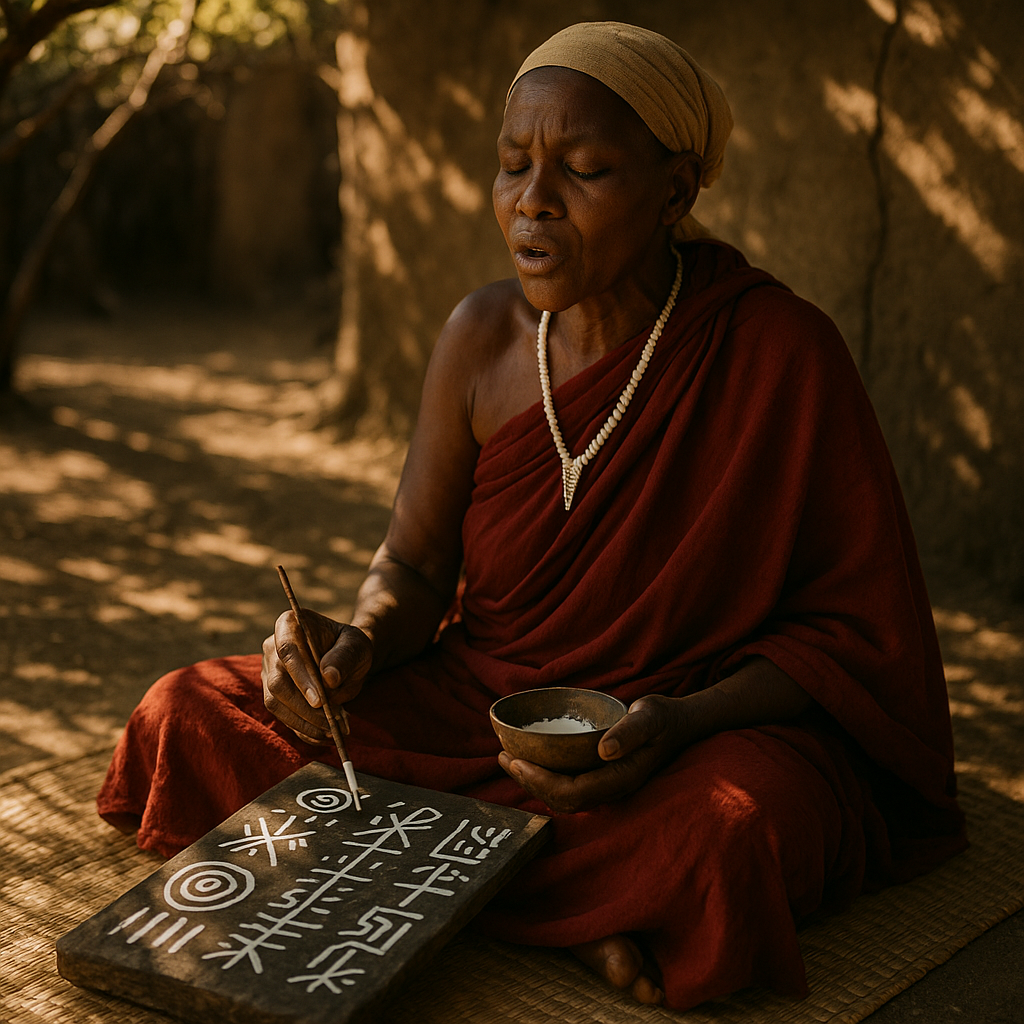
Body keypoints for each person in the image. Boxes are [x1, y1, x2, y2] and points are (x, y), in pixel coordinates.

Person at [97, 22, 967, 1011]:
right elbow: (415, 568)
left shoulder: (779, 351)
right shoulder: (480, 338)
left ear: (675, 190)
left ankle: (455, 880)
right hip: (480, 706)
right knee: (187, 713)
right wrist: (352, 648)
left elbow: (848, 636)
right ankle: (570, 910)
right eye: (513, 166)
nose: (531, 200)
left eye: (584, 169)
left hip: (677, 731)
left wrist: (680, 722)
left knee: (730, 834)